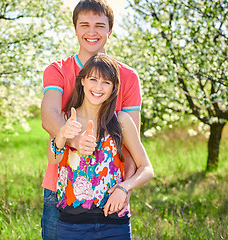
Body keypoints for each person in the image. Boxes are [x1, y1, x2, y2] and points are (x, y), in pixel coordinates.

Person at [41, 0, 142, 239]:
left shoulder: (127, 76)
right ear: (75, 28)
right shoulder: (57, 69)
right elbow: (49, 115)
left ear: (110, 29)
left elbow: (130, 144)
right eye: (84, 24)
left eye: (99, 25)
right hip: (60, 191)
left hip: (109, 192)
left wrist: (124, 187)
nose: (91, 32)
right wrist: (75, 139)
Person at [47, 53, 154, 239]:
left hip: (115, 224)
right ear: (82, 81)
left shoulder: (121, 121)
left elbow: (146, 168)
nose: (98, 87)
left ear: (113, 88)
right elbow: (52, 158)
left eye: (106, 82)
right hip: (72, 226)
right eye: (93, 79)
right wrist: (62, 134)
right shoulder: (66, 119)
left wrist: (124, 188)